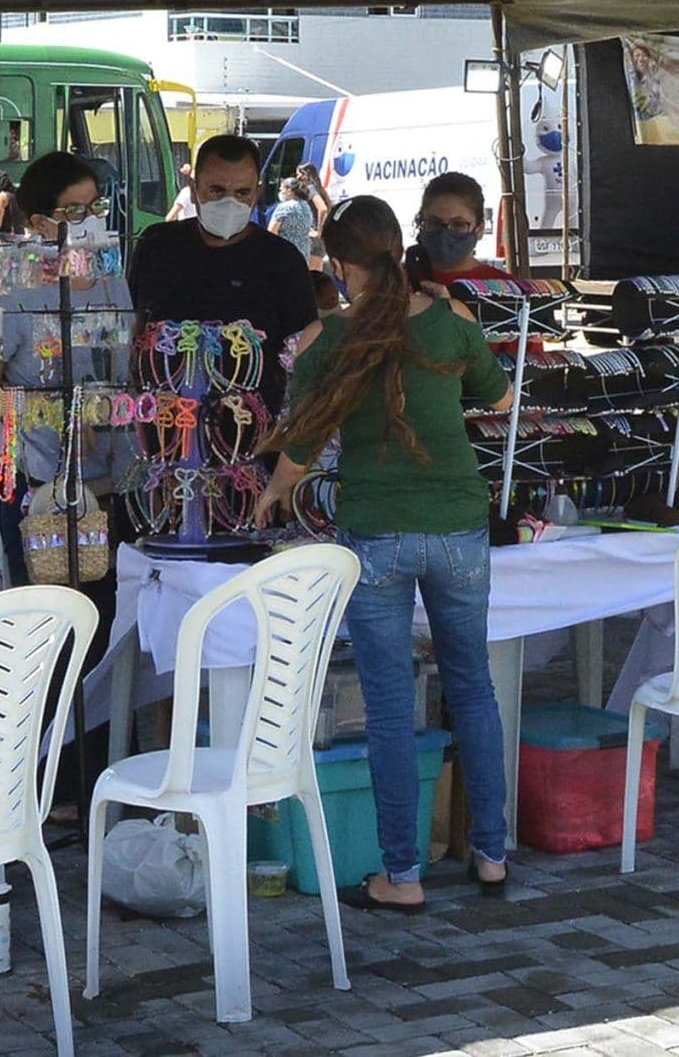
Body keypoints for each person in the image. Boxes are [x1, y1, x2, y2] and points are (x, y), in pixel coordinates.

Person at [255, 196, 514, 909]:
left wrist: (272, 491)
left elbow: (303, 442)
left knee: (392, 706)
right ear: (399, 247)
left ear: (340, 264)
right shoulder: (450, 318)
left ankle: (403, 875)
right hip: (458, 523)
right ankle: (492, 856)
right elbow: (500, 397)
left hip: (376, 533)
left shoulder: (328, 337)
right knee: (473, 688)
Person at [0, 153, 135, 585]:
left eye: (95, 206)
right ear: (39, 223)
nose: (90, 220)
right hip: (47, 489)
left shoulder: (112, 277)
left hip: (120, 484)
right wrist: (61, 411)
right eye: (74, 211)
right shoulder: (10, 290)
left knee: (114, 610)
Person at [129, 136, 318, 415]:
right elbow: (132, 325)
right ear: (193, 188)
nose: (230, 203)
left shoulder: (282, 260)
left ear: (257, 193)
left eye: (242, 193)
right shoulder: (157, 244)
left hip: (250, 427)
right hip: (165, 422)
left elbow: (304, 351)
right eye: (216, 190)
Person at [407, 171, 511, 287]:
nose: (444, 234)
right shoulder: (400, 283)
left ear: (480, 229)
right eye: (434, 223)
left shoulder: (505, 287)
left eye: (458, 225)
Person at [268, 174, 321, 268]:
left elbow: (272, 232)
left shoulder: (284, 207)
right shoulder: (306, 206)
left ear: (289, 190)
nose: (280, 191)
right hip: (303, 255)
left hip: (284, 255)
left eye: (282, 189)